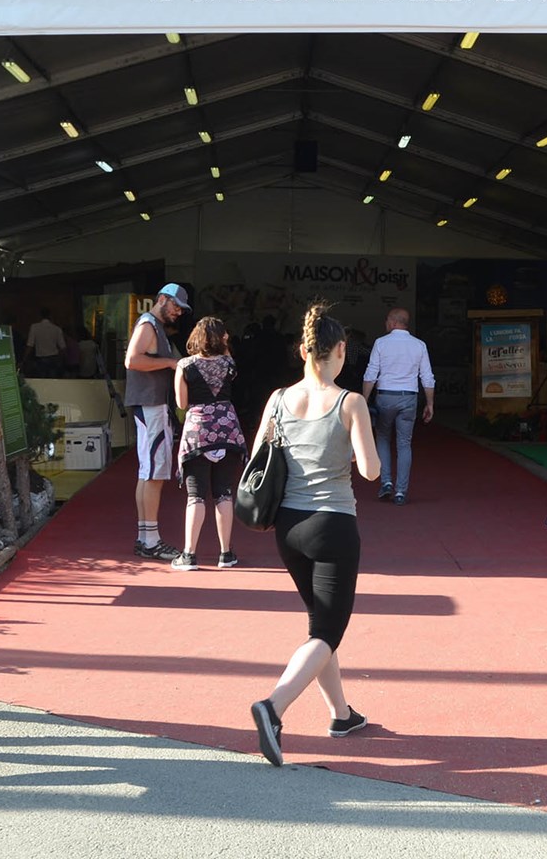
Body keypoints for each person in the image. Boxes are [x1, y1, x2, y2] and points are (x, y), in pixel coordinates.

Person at [249, 303, 381, 766]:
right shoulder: (350, 402)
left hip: (288, 527)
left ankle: (341, 715)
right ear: (340, 349)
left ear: (303, 350)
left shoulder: (278, 399)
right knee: (327, 630)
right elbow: (370, 471)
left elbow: (258, 457)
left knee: (319, 626)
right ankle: (273, 707)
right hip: (333, 525)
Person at [171, 315, 246, 571]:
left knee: (196, 495)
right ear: (221, 338)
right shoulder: (229, 363)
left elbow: (181, 404)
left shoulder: (184, 365)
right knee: (223, 492)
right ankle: (226, 553)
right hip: (228, 429)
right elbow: (228, 369)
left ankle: (189, 554)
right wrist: (223, 345)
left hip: (198, 432)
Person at [123, 283, 189, 559]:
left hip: (149, 405)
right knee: (154, 472)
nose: (178, 312)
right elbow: (132, 360)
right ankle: (151, 541)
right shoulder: (149, 325)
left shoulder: (151, 325)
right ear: (162, 299)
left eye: (181, 309)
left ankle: (145, 537)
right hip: (151, 405)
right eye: (176, 306)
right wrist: (171, 363)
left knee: (148, 471)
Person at [361, 307, 435, 505]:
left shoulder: (381, 343)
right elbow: (427, 376)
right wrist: (430, 403)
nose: (386, 323)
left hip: (385, 396)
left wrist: (364, 399)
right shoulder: (419, 345)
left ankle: (386, 482)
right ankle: (401, 491)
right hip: (409, 397)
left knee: (383, 438)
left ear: (393, 322)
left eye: (387, 320)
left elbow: (371, 373)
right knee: (404, 444)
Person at [23, 307, 67, 378]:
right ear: (50, 316)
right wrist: (61, 360)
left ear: (40, 316)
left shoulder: (34, 327)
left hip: (40, 359)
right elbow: (63, 347)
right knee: (53, 380)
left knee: (42, 380)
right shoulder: (57, 329)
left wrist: (24, 358)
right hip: (54, 358)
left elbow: (30, 345)